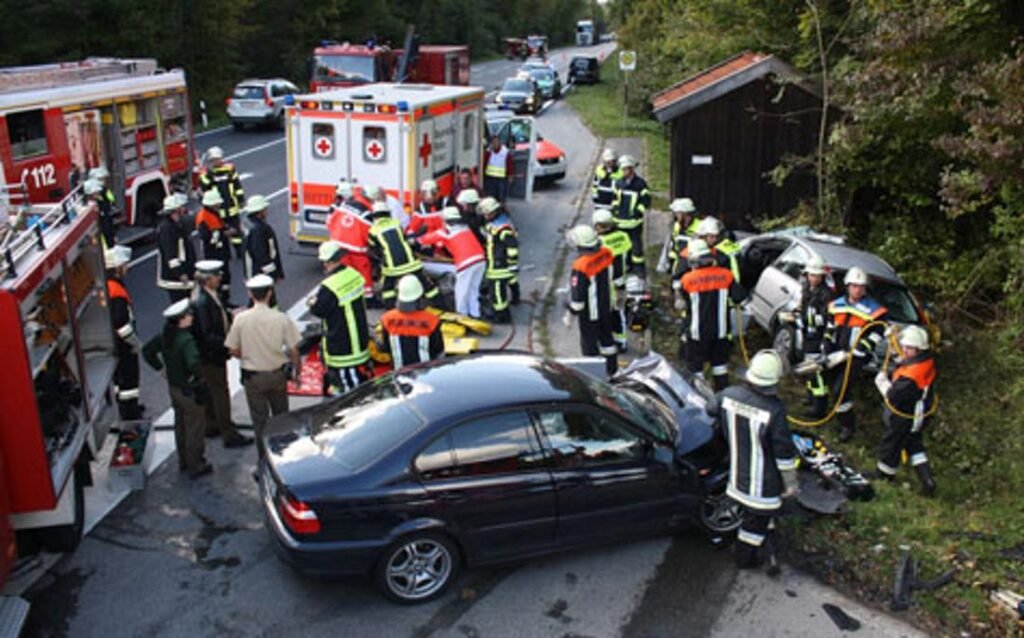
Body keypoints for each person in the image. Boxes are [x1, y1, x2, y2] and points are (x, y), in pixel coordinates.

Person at [708, 349, 799, 570]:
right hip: (762, 490)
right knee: (753, 527)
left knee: (754, 517)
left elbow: (710, 409)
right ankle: (745, 559)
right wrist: (791, 485)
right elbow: (784, 455)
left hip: (736, 478)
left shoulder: (728, 395)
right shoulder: (774, 411)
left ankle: (756, 534)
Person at [225, 275, 301, 439]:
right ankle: (282, 452)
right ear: (269, 293)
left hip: (253, 377)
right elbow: (294, 350)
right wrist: (298, 372)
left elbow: (232, 349)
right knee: (281, 418)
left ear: (250, 295)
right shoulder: (280, 318)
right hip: (277, 375)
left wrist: (248, 357)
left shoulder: (240, 319)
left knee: (260, 422)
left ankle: (263, 457)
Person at [143, 299, 211, 479]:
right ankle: (196, 465)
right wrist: (201, 375)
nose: (191, 316)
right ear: (181, 319)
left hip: (174, 388)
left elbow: (147, 351)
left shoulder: (166, 335)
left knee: (180, 426)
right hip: (190, 390)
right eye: (188, 314)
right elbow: (193, 363)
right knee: (195, 429)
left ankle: (184, 461)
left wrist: (161, 369)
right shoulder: (186, 340)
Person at [823, 266, 889, 442]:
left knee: (840, 390)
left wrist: (863, 347)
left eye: (860, 286)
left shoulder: (874, 310)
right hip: (837, 353)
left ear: (865, 288)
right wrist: (827, 345)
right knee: (833, 386)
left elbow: (878, 332)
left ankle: (847, 426)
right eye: (854, 286)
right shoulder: (837, 305)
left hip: (856, 357)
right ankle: (838, 416)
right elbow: (831, 327)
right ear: (847, 286)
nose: (857, 289)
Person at [192, 260, 252, 448]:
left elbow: (221, 307)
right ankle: (229, 433)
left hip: (210, 354)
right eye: (216, 275)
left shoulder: (208, 295)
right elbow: (207, 334)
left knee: (212, 392)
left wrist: (231, 311)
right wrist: (229, 347)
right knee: (220, 393)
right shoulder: (202, 302)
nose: (220, 277)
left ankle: (211, 425)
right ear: (207, 280)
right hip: (211, 356)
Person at [871, 325, 937, 495]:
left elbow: (893, 395)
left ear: (919, 348)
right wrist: (894, 344)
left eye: (909, 348)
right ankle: (927, 481)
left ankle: (884, 474)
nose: (905, 351)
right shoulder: (924, 360)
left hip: (907, 414)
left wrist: (882, 383)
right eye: (905, 347)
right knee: (913, 443)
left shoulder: (912, 376)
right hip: (919, 412)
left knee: (892, 442)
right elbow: (905, 361)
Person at [675, 239, 747, 392]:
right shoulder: (726, 275)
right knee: (720, 367)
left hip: (696, 333)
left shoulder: (687, 280)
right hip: (720, 332)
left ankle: (699, 398)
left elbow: (683, 303)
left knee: (696, 369)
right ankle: (721, 397)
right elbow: (739, 297)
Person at [307, 242, 372, 395]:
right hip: (359, 340)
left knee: (350, 392)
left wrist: (311, 302)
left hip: (342, 347)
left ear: (327, 261)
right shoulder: (353, 274)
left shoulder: (330, 286)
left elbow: (319, 310)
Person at [567, 225, 618, 377]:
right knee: (607, 341)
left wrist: (570, 313)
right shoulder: (606, 253)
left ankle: (594, 377)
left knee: (589, 346)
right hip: (607, 307)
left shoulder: (581, 266)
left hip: (590, 314)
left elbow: (578, 299)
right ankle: (612, 371)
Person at [366, 201, 439, 308]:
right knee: (428, 286)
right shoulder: (396, 223)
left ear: (374, 216)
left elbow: (374, 248)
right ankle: (440, 305)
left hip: (392, 267)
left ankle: (391, 311)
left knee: (387, 290)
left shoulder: (373, 231)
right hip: (411, 262)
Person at [417, 207, 486, 318]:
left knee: (461, 291)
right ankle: (475, 313)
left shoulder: (446, 231)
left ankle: (461, 315)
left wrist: (415, 239)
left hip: (466, 262)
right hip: (481, 259)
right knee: (473, 289)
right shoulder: (465, 227)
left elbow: (426, 239)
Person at [794, 255, 833, 418]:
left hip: (818, 337)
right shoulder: (807, 289)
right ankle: (811, 398)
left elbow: (827, 319)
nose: (813, 278)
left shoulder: (826, 294)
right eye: (811, 275)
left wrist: (826, 340)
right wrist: (796, 315)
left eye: (816, 275)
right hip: (808, 336)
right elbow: (803, 308)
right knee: (808, 368)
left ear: (822, 276)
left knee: (818, 373)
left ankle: (819, 409)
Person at [104, 245, 141, 421]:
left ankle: (126, 408)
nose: (127, 268)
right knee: (129, 380)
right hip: (123, 345)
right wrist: (134, 342)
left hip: (114, 343)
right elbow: (121, 322)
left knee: (121, 381)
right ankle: (130, 412)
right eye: (125, 265)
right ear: (117, 268)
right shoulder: (116, 290)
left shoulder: (109, 285)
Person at [379, 275, 444, 369]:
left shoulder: (387, 319)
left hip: (398, 374)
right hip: (426, 374)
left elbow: (386, 347)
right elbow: (439, 350)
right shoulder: (431, 320)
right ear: (420, 297)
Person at [327, 182, 376, 305]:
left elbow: (330, 222)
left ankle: (342, 296)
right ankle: (368, 298)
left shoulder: (343, 206)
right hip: (356, 250)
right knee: (364, 273)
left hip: (338, 246)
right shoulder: (367, 214)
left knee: (343, 274)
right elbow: (369, 236)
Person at [593, 208, 632, 350]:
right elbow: (629, 256)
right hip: (621, 281)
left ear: (597, 225)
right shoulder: (623, 236)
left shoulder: (600, 242)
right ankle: (621, 341)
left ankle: (604, 340)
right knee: (619, 311)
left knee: (604, 312)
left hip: (606, 284)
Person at [198, 146, 245, 257]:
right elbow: (204, 187)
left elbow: (237, 185)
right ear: (210, 160)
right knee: (221, 232)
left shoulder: (229, 169)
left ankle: (240, 251)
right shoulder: (205, 174)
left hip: (232, 206)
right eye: (215, 160)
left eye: (219, 158)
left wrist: (241, 199)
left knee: (236, 232)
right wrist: (210, 174)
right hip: (218, 210)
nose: (218, 161)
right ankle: (225, 252)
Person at [478, 197, 519, 323]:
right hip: (495, 263)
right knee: (504, 286)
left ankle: (502, 316)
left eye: (486, 213)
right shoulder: (496, 223)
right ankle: (514, 299)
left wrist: (512, 264)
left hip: (499, 266)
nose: (485, 216)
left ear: (493, 212)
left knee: (497, 293)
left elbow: (512, 247)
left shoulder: (503, 229)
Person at [611, 154, 650, 277]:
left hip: (634, 223)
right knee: (622, 246)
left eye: (625, 169)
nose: (623, 172)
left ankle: (639, 269)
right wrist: (615, 211)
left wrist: (638, 211)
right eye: (622, 169)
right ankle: (625, 267)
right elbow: (615, 199)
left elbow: (646, 200)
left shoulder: (640, 184)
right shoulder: (618, 183)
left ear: (631, 169)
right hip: (620, 221)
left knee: (636, 247)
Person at [242, 194, 284, 306]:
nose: (267, 211)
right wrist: (274, 273)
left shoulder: (249, 224)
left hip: (254, 272)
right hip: (261, 274)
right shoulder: (259, 230)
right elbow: (261, 255)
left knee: (258, 301)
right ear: (260, 212)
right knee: (264, 301)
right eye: (265, 209)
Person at [156, 193, 196, 303]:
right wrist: (180, 273)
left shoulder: (178, 224)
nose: (184, 209)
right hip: (175, 279)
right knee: (181, 305)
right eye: (181, 207)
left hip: (184, 272)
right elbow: (170, 254)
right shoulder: (167, 229)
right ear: (176, 210)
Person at [195, 189, 233, 301]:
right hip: (214, 255)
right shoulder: (203, 217)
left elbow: (219, 226)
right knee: (218, 281)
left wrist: (225, 229)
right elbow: (207, 237)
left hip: (221, 253)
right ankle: (221, 300)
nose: (220, 204)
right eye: (217, 203)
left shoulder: (213, 213)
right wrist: (224, 234)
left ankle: (225, 299)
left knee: (225, 279)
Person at [665, 197, 698, 277]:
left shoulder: (701, 227)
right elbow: (674, 247)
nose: (676, 216)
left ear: (685, 214)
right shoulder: (676, 227)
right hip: (679, 269)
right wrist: (671, 262)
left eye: (678, 213)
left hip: (696, 269)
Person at [86, 168, 116, 247]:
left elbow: (111, 198)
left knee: (108, 230)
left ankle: (111, 245)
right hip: (104, 215)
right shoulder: (95, 193)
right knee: (106, 230)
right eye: (100, 178)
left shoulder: (103, 190)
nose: (103, 180)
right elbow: (111, 198)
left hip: (106, 213)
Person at [483, 135, 513, 202]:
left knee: (501, 198)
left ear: (499, 142)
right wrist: (488, 152)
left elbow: (509, 165)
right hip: (490, 178)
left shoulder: (505, 152)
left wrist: (510, 176)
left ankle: (501, 210)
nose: (494, 144)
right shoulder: (488, 151)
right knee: (490, 198)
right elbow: (484, 163)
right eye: (492, 142)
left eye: (496, 142)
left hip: (501, 179)